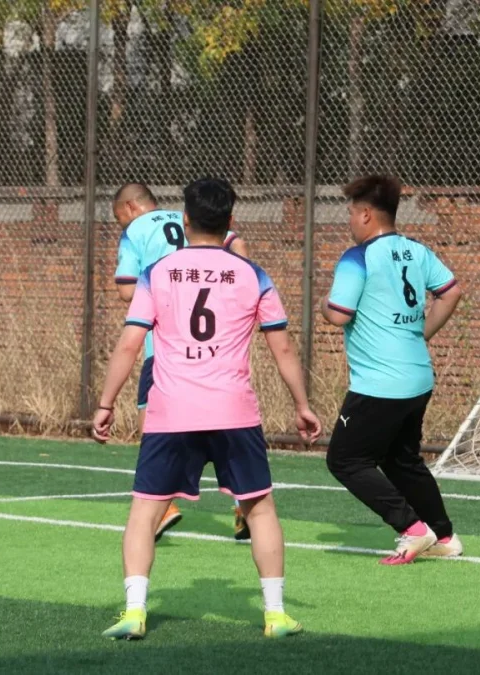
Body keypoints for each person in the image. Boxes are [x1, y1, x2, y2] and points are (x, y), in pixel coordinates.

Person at [94, 177, 322, 640]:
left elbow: (129, 345)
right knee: (259, 509)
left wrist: (105, 402)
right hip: (233, 411)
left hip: (171, 410)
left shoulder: (157, 272)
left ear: (185, 220)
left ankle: (135, 611)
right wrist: (302, 403)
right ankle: (276, 615)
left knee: (144, 512)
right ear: (230, 221)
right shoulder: (253, 275)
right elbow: (282, 348)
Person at [321, 174, 463, 564]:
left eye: (351, 213)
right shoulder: (417, 250)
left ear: (366, 214)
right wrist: (420, 334)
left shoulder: (357, 257)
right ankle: (444, 536)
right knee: (401, 459)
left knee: (345, 460)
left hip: (379, 384)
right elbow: (451, 291)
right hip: (418, 376)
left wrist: (323, 305)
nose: (349, 221)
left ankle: (412, 528)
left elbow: (338, 314)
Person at [112, 183, 251, 541]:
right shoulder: (192, 219)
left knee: (152, 422)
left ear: (129, 208)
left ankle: (163, 505)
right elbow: (237, 245)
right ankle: (244, 503)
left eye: (118, 217)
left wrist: (158, 290)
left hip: (165, 351)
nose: (120, 223)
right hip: (215, 351)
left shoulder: (135, 231)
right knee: (224, 428)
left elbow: (126, 289)